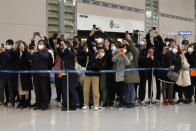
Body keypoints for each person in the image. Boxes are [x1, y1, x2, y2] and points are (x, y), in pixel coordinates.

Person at [82, 27, 105, 111]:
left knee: (95, 90)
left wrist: (97, 55)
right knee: (86, 90)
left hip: (95, 73)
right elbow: (88, 41)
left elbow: (98, 63)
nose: (94, 46)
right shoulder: (91, 52)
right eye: (93, 45)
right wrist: (91, 33)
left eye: (95, 45)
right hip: (88, 73)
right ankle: (86, 104)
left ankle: (96, 104)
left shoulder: (102, 52)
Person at [30, 40, 53, 110]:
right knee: (37, 90)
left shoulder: (47, 53)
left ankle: (45, 104)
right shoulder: (35, 53)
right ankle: (38, 103)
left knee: (44, 90)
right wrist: (29, 51)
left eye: (41, 44)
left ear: (45, 46)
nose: (39, 45)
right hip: (36, 74)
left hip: (43, 74)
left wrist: (38, 51)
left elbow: (45, 58)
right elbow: (30, 58)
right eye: (38, 44)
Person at [57, 39, 80, 111]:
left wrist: (64, 45)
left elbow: (69, 53)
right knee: (64, 89)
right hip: (64, 73)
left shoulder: (72, 53)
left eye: (65, 46)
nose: (63, 47)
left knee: (72, 88)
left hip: (71, 73)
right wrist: (58, 45)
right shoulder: (63, 54)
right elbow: (59, 52)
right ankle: (65, 103)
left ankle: (76, 103)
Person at [15, 41, 33, 108]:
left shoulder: (27, 53)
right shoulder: (17, 53)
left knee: (26, 89)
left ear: (25, 46)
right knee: (19, 89)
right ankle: (21, 102)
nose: (20, 47)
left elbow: (29, 59)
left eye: (22, 46)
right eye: (20, 46)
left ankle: (27, 102)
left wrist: (25, 51)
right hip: (19, 74)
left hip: (25, 75)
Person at [112, 41, 130, 107]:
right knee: (116, 90)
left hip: (121, 76)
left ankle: (121, 103)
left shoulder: (125, 56)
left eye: (125, 49)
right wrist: (118, 54)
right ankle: (116, 102)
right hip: (115, 75)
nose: (123, 50)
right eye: (123, 48)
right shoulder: (117, 54)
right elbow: (113, 59)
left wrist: (124, 56)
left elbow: (128, 63)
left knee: (121, 91)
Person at [124, 33, 140, 108]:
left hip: (132, 73)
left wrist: (129, 39)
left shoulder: (135, 53)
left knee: (131, 88)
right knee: (127, 88)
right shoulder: (126, 53)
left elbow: (133, 49)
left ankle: (131, 102)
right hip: (126, 74)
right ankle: (127, 101)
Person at [0, 39, 15, 107]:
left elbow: (10, 59)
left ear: (11, 45)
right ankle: (2, 101)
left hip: (10, 74)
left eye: (8, 44)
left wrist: (4, 52)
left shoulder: (13, 52)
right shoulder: (3, 52)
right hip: (2, 73)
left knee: (10, 88)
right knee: (1, 88)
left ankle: (11, 101)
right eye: (6, 44)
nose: (7, 46)